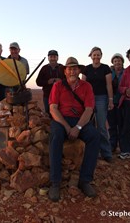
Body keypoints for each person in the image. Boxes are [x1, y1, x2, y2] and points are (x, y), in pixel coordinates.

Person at [48, 57, 100, 202]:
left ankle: (85, 180)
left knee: (95, 136)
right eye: (69, 68)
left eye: (75, 68)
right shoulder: (58, 86)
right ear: (65, 71)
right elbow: (53, 109)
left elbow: (89, 110)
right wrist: (66, 127)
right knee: (56, 135)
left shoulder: (86, 86)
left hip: (80, 120)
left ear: (79, 71)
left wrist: (77, 127)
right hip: (61, 120)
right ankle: (55, 182)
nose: (72, 71)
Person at [82, 46, 113, 163]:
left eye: (98, 54)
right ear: (91, 56)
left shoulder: (105, 68)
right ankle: (91, 152)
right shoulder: (86, 69)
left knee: (101, 126)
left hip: (101, 98)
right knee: (88, 126)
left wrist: (110, 99)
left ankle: (106, 152)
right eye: (94, 54)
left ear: (101, 55)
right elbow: (83, 85)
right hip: (88, 99)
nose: (96, 56)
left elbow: (108, 85)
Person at [36, 50, 65, 115]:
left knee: (61, 113)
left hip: (61, 96)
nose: (52, 58)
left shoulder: (63, 67)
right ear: (48, 58)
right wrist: (47, 82)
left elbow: (68, 80)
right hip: (47, 96)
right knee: (48, 114)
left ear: (57, 58)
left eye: (54, 57)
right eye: (51, 57)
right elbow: (38, 82)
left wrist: (61, 81)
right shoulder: (44, 68)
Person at [107, 53, 125, 152]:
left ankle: (122, 146)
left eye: (119, 61)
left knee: (122, 125)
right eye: (115, 61)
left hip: (123, 102)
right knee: (112, 124)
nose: (117, 63)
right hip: (112, 102)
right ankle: (112, 144)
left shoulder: (126, 72)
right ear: (113, 63)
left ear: (122, 62)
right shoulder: (110, 73)